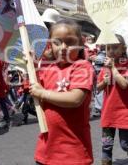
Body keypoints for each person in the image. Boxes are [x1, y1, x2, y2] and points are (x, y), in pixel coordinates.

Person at [29, 20, 94, 165]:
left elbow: (75, 99)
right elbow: (36, 93)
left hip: (72, 152)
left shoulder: (82, 66)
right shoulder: (48, 68)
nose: (63, 47)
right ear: (50, 45)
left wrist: (42, 93)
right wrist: (30, 67)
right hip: (46, 149)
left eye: (70, 42)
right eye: (57, 42)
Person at [97, 34, 128, 165]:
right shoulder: (104, 67)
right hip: (108, 112)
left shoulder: (127, 65)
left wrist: (113, 68)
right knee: (106, 145)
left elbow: (124, 85)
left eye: (115, 47)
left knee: (125, 144)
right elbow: (98, 88)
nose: (111, 51)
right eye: (108, 48)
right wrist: (104, 83)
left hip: (123, 111)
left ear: (123, 49)